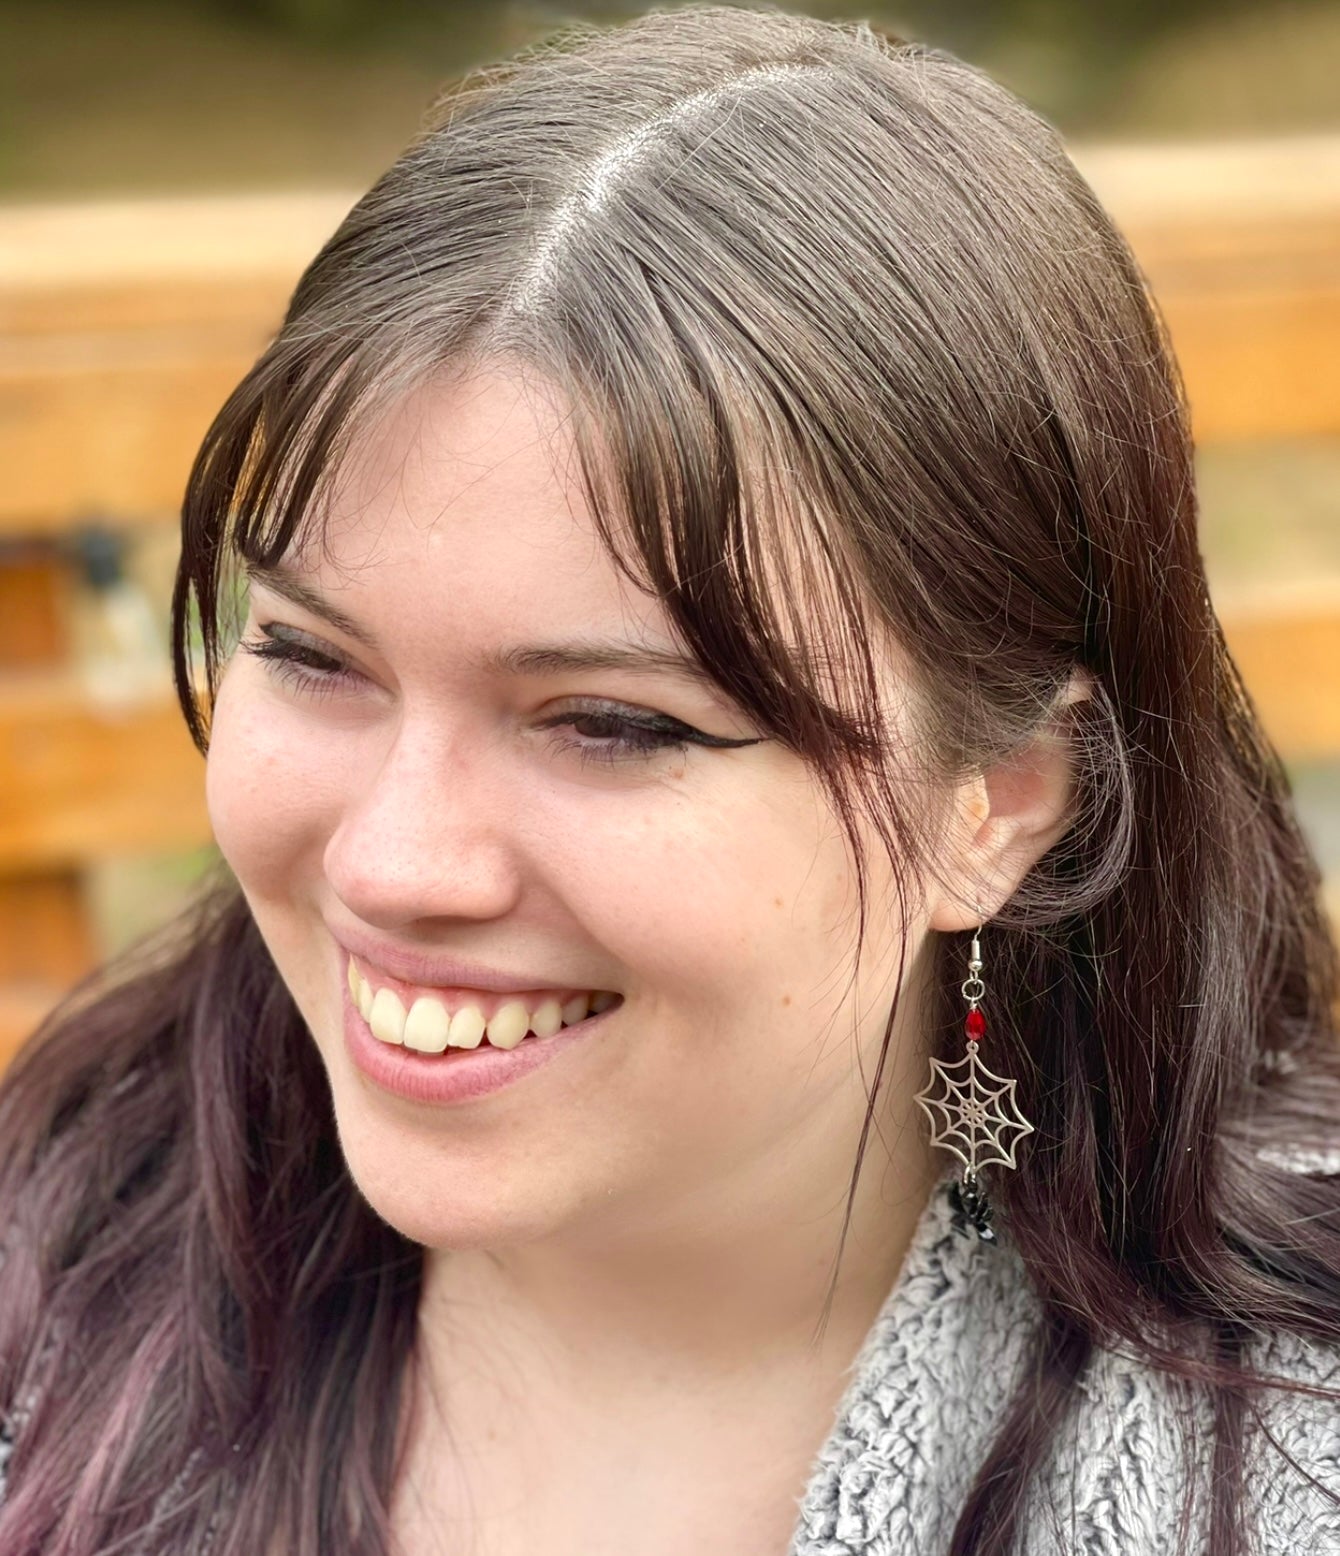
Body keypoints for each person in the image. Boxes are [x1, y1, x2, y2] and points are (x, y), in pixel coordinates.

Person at [1, 5, 1338, 1553]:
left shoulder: (1276, 1461)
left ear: (1003, 801)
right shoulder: (63, 1258)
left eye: (612, 725)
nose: (391, 864)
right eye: (312, 657)